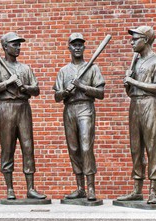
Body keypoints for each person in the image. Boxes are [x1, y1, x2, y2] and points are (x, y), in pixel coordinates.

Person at [0, 32, 46, 200]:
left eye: (19, 44)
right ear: (5, 47)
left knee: (28, 147)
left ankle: (30, 188)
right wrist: (7, 83)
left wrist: (24, 87)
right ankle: (9, 189)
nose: (18, 47)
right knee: (7, 148)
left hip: (23, 107)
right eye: (14, 44)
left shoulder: (25, 68)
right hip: (6, 107)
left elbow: (36, 90)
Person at [117, 26, 156, 204]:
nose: (131, 42)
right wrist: (127, 84)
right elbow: (131, 92)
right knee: (135, 148)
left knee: (152, 147)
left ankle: (153, 190)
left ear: (145, 40)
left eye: (135, 39)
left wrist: (133, 81)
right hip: (135, 103)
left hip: (150, 104)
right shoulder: (136, 62)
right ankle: (137, 190)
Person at [53, 33, 105, 201]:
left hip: (85, 108)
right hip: (69, 108)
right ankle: (80, 187)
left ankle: (91, 187)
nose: (77, 47)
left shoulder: (92, 68)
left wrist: (82, 86)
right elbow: (56, 96)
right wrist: (65, 91)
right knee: (73, 148)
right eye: (74, 44)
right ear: (69, 47)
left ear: (84, 47)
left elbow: (101, 93)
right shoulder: (63, 71)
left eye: (80, 44)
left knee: (85, 146)